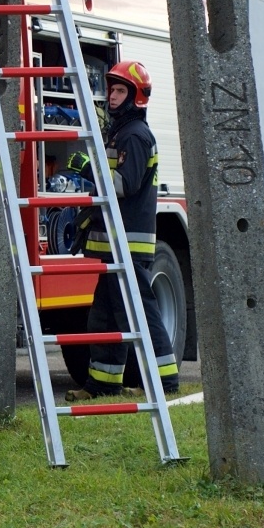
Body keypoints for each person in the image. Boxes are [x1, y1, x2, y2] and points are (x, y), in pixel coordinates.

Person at [67, 60, 179, 400]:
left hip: (129, 245)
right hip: (114, 244)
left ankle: (166, 383)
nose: (112, 96)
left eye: (119, 91)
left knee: (141, 313)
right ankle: (102, 384)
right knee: (104, 318)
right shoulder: (120, 132)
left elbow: (124, 185)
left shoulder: (136, 135)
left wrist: (88, 168)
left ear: (136, 97)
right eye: (112, 90)